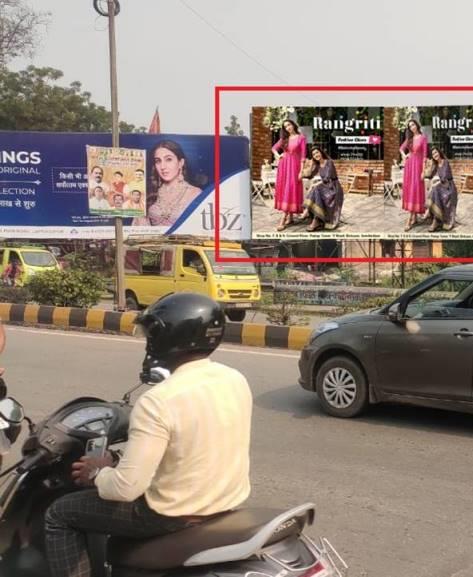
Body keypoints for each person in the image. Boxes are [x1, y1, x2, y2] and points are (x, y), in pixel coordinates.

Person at [44, 293, 253, 577]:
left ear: (169, 337)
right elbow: (191, 448)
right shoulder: (235, 379)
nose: (148, 340)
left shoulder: (159, 400)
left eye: (152, 333)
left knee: (59, 513)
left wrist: (98, 472)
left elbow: (125, 489)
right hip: (223, 502)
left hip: (169, 515)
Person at [133, 140, 203, 227]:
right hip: (151, 240)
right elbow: (138, 228)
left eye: (168, 159)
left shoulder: (195, 193)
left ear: (181, 163)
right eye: (158, 161)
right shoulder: (148, 192)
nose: (163, 167)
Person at [271, 119, 306, 231]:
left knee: (291, 189)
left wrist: (301, 171)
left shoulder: (301, 138)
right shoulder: (284, 139)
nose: (288, 128)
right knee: (285, 188)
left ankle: (283, 219)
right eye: (285, 126)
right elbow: (273, 148)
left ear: (293, 124)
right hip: (284, 166)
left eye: (289, 125)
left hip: (295, 166)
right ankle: (289, 217)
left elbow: (303, 157)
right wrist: (278, 155)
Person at [303, 146, 343, 232]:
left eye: (317, 152)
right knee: (316, 190)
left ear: (321, 152)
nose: (316, 155)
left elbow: (327, 178)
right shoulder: (317, 165)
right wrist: (310, 165)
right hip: (326, 186)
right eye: (313, 154)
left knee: (316, 188)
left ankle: (309, 213)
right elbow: (310, 176)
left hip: (334, 187)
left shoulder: (329, 162)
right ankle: (316, 219)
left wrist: (315, 184)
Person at [399, 119, 428, 231]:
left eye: (413, 124)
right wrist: (405, 155)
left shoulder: (423, 137)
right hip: (410, 166)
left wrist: (423, 171)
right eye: (410, 126)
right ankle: (413, 217)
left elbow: (425, 155)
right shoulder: (409, 139)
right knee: (411, 189)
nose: (412, 127)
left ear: (417, 125)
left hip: (418, 166)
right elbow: (401, 149)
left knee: (415, 190)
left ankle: (410, 219)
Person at [424, 147, 458, 232]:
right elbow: (429, 175)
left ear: (439, 152)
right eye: (433, 154)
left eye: (436, 153)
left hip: (449, 187)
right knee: (435, 190)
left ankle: (432, 217)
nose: (435, 155)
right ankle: (435, 219)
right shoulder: (435, 165)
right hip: (441, 186)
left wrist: (435, 183)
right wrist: (427, 165)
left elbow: (444, 177)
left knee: (435, 189)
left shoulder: (445, 162)